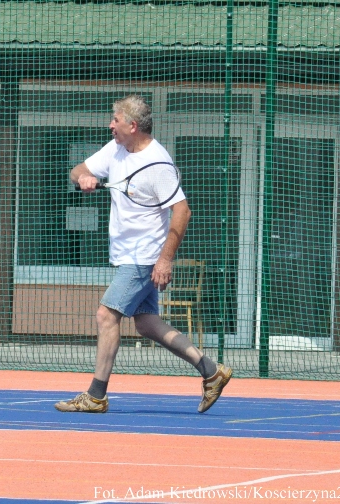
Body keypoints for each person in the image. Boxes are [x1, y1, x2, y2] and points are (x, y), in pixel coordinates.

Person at [54, 94, 232, 414]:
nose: (110, 125)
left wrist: (165, 260)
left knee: (106, 315)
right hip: (126, 253)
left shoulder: (158, 164)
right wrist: (83, 177)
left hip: (144, 255)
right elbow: (77, 169)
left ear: (133, 126)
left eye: (116, 120)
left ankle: (96, 395)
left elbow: (182, 211)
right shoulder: (116, 148)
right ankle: (211, 371)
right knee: (147, 324)